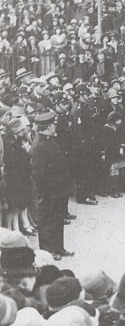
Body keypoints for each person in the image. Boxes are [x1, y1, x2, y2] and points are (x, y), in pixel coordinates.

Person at [30, 111, 73, 261]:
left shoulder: (49, 140)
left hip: (58, 189)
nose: (55, 125)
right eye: (53, 124)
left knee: (57, 218)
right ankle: (48, 251)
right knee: (47, 220)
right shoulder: (40, 146)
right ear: (48, 126)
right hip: (50, 191)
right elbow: (38, 174)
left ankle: (58, 247)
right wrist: (46, 192)